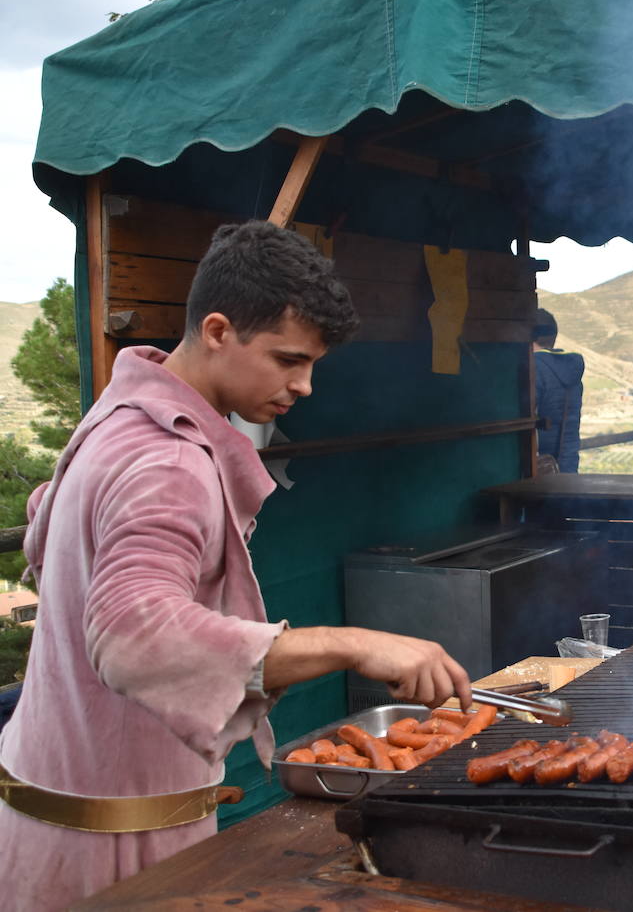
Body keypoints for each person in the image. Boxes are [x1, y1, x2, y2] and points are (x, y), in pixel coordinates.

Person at [0, 222, 473, 910]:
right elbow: (136, 634)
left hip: (36, 812)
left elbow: (53, 529)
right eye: (287, 359)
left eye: (312, 364)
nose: (305, 385)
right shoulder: (168, 459)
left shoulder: (116, 412)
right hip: (106, 855)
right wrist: (354, 642)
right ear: (218, 330)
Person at [533, 308, 585, 473]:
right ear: (554, 336)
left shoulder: (533, 369)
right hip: (568, 463)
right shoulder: (572, 369)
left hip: (539, 469)